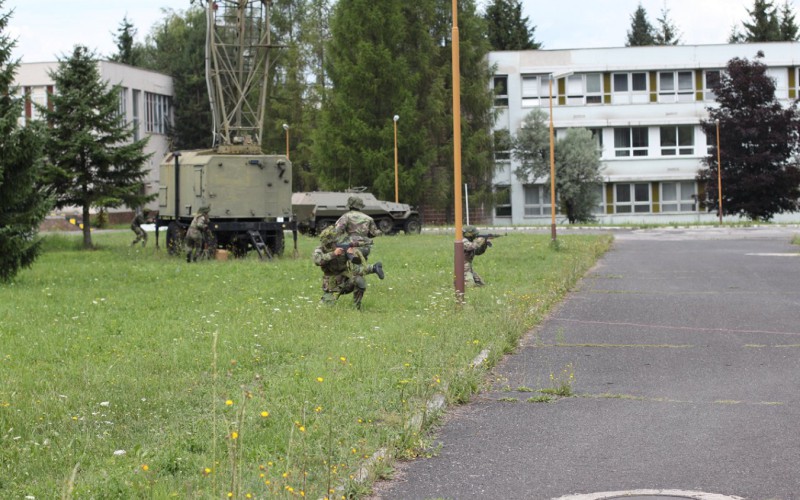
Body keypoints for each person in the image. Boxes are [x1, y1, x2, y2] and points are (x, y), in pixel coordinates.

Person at [313, 226, 384, 310]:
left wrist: (351, 253)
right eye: (332, 242)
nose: (335, 244)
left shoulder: (342, 247)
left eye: (335, 241)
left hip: (346, 281)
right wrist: (334, 254)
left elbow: (356, 263)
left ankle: (356, 307)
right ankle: (373, 268)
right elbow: (318, 261)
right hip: (332, 285)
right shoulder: (320, 250)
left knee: (359, 280)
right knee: (324, 307)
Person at [333, 195, 382, 261]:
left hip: (350, 246)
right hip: (365, 246)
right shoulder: (368, 218)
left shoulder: (346, 216)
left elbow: (337, 231)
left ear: (350, 205)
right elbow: (374, 233)